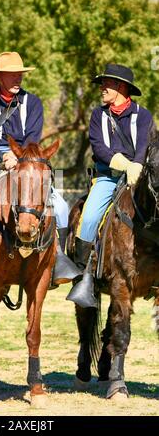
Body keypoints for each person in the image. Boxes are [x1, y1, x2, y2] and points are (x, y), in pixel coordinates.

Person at [0, 51, 77, 285]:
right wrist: (2, 157)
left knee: (61, 207)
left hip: (25, 163)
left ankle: (59, 258)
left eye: (20, 74)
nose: (18, 79)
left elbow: (33, 137)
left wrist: (18, 157)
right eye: (12, 75)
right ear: (0, 76)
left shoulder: (32, 103)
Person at [68, 63, 155, 307]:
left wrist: (136, 166)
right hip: (107, 177)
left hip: (139, 178)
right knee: (89, 218)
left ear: (121, 87)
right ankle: (83, 277)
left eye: (107, 84)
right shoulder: (98, 115)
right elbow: (100, 148)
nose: (102, 88)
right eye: (103, 84)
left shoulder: (143, 115)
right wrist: (124, 165)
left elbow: (144, 145)